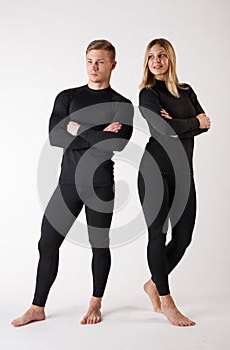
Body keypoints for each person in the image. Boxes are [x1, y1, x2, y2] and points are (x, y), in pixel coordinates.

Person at [12, 39, 133, 327]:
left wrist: (78, 127)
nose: (94, 66)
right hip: (67, 184)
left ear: (113, 65)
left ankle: (95, 303)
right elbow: (56, 137)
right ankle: (37, 306)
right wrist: (97, 133)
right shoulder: (68, 96)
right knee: (47, 243)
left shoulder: (122, 104)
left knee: (99, 246)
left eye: (101, 61)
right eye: (90, 60)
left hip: (100, 186)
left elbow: (117, 144)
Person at [138, 38, 211, 327]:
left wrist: (180, 125)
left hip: (183, 172)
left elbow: (206, 124)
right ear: (146, 62)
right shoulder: (147, 93)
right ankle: (166, 300)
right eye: (151, 56)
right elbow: (165, 128)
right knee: (158, 235)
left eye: (162, 55)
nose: (156, 61)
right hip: (153, 170)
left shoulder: (186, 90)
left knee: (184, 237)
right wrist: (191, 122)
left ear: (171, 59)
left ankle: (153, 283)